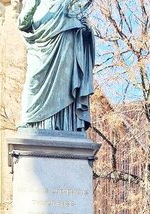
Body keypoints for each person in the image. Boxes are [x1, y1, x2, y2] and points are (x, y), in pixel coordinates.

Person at [18, 0, 95, 131]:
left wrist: (87, 29)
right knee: (32, 82)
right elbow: (22, 24)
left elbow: (82, 31)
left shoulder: (69, 3)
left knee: (64, 87)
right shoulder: (36, 3)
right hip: (39, 51)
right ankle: (31, 120)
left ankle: (64, 125)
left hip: (65, 48)